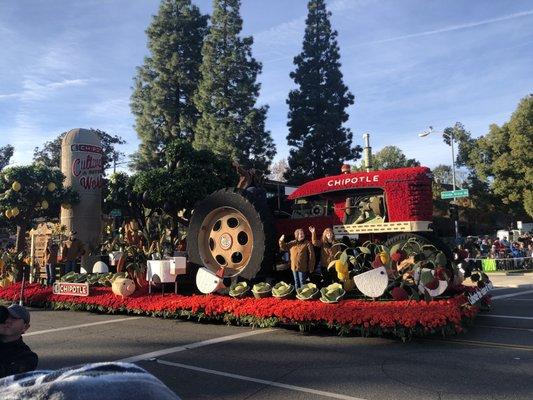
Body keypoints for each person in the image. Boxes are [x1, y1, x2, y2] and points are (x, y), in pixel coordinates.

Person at [0, 304, 38, 378]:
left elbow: (7, 378)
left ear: (25, 327)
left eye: (14, 318)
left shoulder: (27, 357)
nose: (7, 321)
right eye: (5, 317)